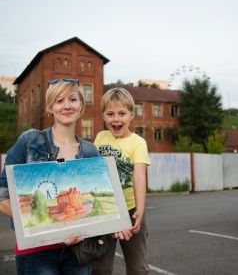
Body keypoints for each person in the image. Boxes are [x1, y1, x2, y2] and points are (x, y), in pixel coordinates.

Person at [0, 79, 131, 275]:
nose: (67, 105)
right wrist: (49, 223)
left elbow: (102, 211)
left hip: (78, 252)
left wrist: (115, 225)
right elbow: (2, 194)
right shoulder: (29, 141)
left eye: (73, 99)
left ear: (81, 106)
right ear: (50, 107)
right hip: (36, 252)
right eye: (59, 101)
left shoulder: (90, 151)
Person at [92, 87, 151, 275]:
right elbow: (94, 171)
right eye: (110, 114)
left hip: (131, 210)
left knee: (138, 268)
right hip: (105, 211)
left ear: (131, 115)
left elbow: (139, 176)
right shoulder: (101, 138)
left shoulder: (137, 142)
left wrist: (140, 211)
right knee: (100, 267)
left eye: (121, 113)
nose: (116, 119)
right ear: (103, 116)